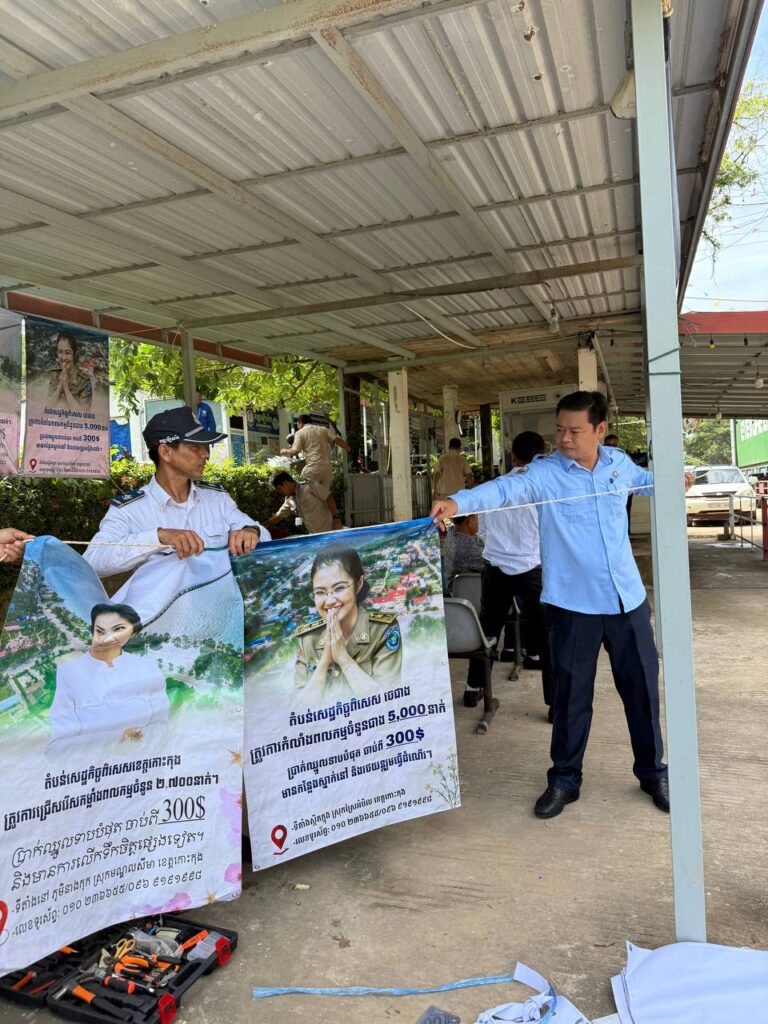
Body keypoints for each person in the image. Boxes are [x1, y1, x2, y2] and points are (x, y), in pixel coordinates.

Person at [432, 390, 695, 820]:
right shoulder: (544, 473)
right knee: (571, 698)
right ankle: (564, 780)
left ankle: (652, 772)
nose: (565, 439)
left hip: (627, 601)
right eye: (560, 430)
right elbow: (503, 490)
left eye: (575, 431)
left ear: (600, 430)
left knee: (642, 693)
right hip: (573, 607)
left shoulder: (617, 465)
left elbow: (646, 481)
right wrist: (458, 502)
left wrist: (674, 480)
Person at [84, 405, 270, 577]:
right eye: (195, 446)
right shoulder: (129, 510)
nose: (205, 454)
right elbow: (92, 560)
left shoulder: (217, 499)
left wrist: (251, 532)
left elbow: (263, 534)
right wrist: (159, 537)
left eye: (205, 446)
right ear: (166, 452)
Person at [462, 431, 554, 716]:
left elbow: (481, 531)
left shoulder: (494, 488)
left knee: (487, 629)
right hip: (533, 570)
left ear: (513, 457)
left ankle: (473, 688)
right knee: (547, 635)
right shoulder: (545, 490)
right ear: (541, 458)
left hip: (496, 569)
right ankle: (556, 704)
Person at [48, 602, 169, 748]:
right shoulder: (69, 671)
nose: (107, 638)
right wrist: (116, 738)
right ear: (92, 631)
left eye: (118, 630)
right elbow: (59, 739)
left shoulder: (147, 667)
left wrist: (139, 739)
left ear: (133, 633)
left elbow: (161, 723)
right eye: (100, 631)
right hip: (93, 759)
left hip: (144, 755)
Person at [294, 545, 401, 700]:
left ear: (358, 584)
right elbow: (298, 710)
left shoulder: (382, 630)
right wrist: (324, 662)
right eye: (320, 592)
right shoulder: (308, 640)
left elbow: (389, 702)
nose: (329, 601)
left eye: (339, 588)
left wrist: (343, 659)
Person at [281, 415, 350, 525]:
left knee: (300, 489)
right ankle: (333, 520)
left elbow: (295, 451)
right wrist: (348, 448)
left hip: (312, 469)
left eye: (297, 424)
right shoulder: (323, 429)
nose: (297, 426)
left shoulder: (300, 433)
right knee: (325, 496)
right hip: (327, 469)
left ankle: (299, 515)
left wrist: (284, 451)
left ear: (300, 422)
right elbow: (337, 440)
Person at [266, 471, 334, 535]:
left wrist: (336, 518)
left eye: (279, 488)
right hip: (314, 536)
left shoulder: (309, 486)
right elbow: (279, 515)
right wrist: (263, 526)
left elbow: (328, 497)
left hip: (330, 531)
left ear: (286, 483)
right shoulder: (289, 500)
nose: (279, 492)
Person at [47, 332, 92, 410]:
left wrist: (65, 387)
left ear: (75, 354)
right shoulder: (54, 374)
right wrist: (60, 386)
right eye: (60, 352)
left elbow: (84, 413)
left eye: (67, 353)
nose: (63, 357)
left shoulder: (84, 381)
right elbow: (47, 407)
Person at [442, 513, 484, 595]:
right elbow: (496, 567)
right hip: (471, 595)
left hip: (460, 592)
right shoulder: (467, 549)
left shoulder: (452, 533)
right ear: (469, 521)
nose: (480, 521)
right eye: (478, 517)